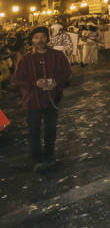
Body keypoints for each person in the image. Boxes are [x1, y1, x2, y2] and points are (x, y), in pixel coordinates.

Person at [12, 27, 71, 172]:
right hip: (33, 100)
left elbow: (67, 72)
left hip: (52, 99)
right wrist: (35, 83)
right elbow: (18, 79)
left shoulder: (57, 55)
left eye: (43, 37)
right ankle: (37, 159)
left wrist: (56, 82)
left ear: (47, 38)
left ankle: (49, 157)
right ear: (32, 40)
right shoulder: (26, 59)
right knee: (34, 131)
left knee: (51, 130)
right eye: (36, 38)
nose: (40, 40)